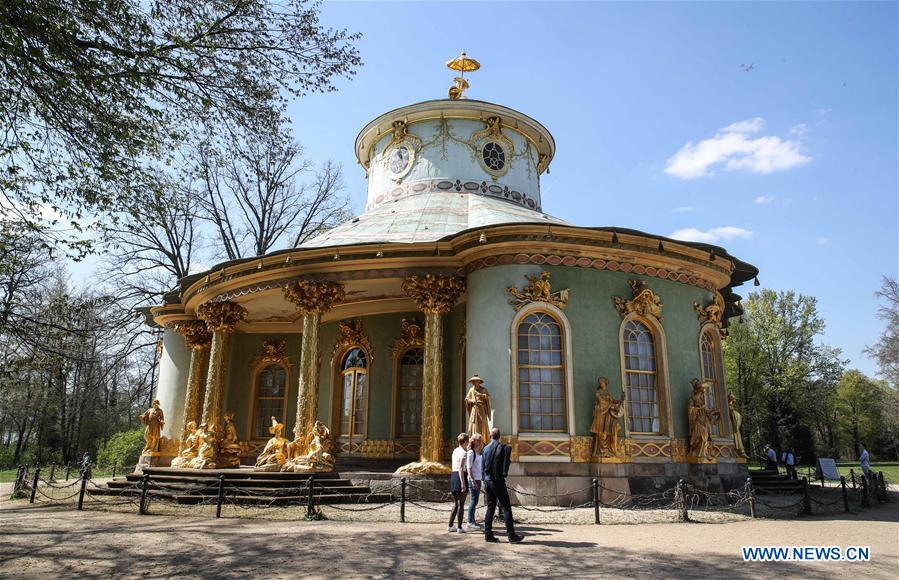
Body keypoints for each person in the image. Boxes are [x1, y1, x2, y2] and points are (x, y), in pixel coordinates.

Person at [482, 428, 523, 543]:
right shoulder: (502, 447)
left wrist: (484, 480)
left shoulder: (485, 449)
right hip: (498, 481)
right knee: (506, 508)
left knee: (490, 507)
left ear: (490, 436)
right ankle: (511, 535)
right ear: (499, 436)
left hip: (487, 481)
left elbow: (482, 467)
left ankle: (488, 534)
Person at [448, 432, 469, 533]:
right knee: (461, 504)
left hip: (453, 475)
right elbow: (461, 468)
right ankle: (460, 527)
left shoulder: (455, 451)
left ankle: (451, 525)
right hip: (460, 476)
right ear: (465, 442)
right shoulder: (464, 453)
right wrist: (463, 483)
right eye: (467, 441)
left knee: (456, 503)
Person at [465, 433, 484, 530]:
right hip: (473, 479)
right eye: (478, 440)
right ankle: (469, 521)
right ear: (473, 441)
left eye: (480, 440)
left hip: (478, 478)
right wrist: (472, 480)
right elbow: (469, 467)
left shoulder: (478, 452)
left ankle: (472, 520)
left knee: (475, 501)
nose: (480, 442)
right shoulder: (471, 452)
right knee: (473, 500)